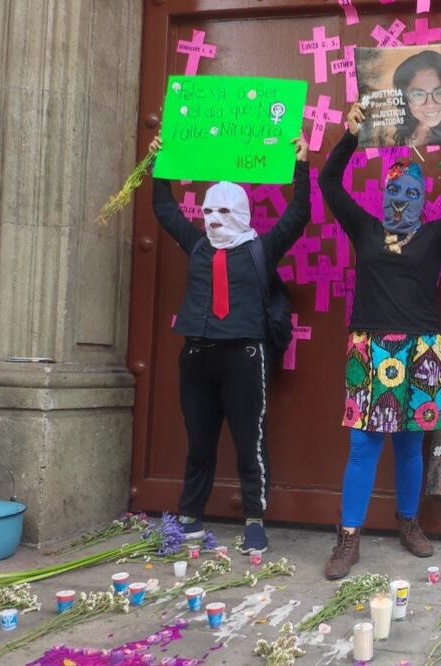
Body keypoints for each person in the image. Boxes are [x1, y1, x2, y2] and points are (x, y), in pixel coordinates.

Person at [318, 103, 441, 579]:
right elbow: (329, 184)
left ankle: (409, 525)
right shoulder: (365, 229)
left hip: (422, 353)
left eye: (412, 192)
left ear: (423, 198)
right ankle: (348, 538)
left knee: (411, 449)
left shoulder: (435, 236)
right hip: (369, 350)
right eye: (394, 189)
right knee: (362, 448)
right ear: (382, 192)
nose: (402, 198)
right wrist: (350, 136)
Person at [149, 134, 311, 554]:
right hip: (197, 356)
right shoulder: (198, 245)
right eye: (207, 210)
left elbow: (298, 215)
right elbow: (164, 209)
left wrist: (301, 166)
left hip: (244, 355)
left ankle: (255, 520)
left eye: (224, 211)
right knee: (199, 440)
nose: (214, 219)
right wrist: (159, 163)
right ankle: (189, 516)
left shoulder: (260, 248)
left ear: (240, 213)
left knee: (249, 441)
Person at [391, 50, 441, 147]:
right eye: (418, 94)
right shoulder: (404, 131)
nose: (430, 104)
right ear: (405, 98)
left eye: (440, 92)